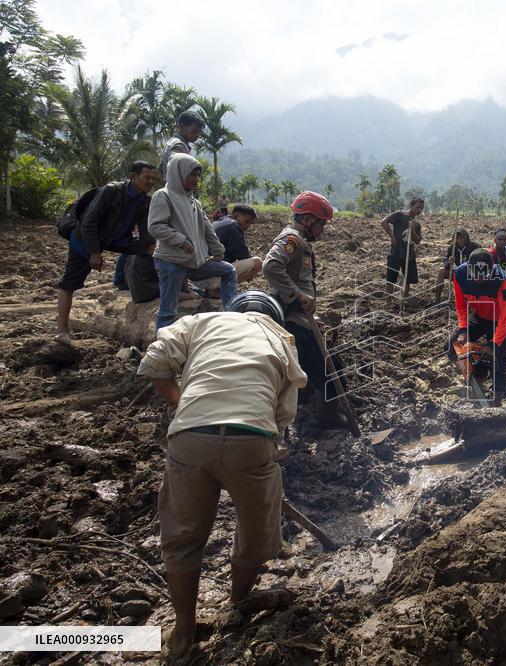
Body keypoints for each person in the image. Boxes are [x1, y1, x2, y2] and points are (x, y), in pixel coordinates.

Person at [136, 291, 307, 657]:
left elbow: (154, 362)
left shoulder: (200, 323)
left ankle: (183, 630)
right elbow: (284, 413)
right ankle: (237, 607)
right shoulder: (280, 338)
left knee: (182, 536)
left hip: (189, 437)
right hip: (252, 438)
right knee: (256, 531)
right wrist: (268, 446)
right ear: (272, 316)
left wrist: (178, 402)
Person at [55, 161, 158, 345]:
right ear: (133, 176)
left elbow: (144, 228)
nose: (150, 181)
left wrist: (150, 246)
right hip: (85, 238)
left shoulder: (144, 200)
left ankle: (146, 288)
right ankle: (62, 329)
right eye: (146, 177)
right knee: (70, 281)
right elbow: (89, 221)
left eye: (152, 178)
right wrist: (94, 252)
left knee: (151, 251)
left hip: (115, 239)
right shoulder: (112, 191)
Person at [262, 191, 336, 405]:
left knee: (324, 366)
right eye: (321, 224)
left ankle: (326, 405)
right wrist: (298, 296)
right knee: (325, 368)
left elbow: (297, 278)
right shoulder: (291, 239)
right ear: (307, 220)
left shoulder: (299, 240)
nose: (322, 231)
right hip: (292, 318)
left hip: (302, 316)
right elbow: (271, 266)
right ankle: (328, 413)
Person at [148, 154, 238, 330]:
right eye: (193, 175)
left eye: (198, 175)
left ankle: (231, 315)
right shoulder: (163, 196)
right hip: (171, 260)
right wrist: (181, 241)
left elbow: (206, 228)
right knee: (168, 311)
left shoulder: (193, 202)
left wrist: (218, 249)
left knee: (228, 271)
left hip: (193, 260)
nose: (197, 179)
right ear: (179, 173)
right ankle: (161, 350)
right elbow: (155, 226)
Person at [446, 249, 506, 407]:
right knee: (452, 344)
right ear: (469, 269)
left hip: (499, 320)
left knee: (500, 359)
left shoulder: (502, 280)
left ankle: (497, 402)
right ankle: (474, 376)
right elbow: (461, 305)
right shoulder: (460, 274)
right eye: (476, 275)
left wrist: (493, 344)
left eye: (484, 275)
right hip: (478, 315)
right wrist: (463, 328)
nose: (479, 279)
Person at [193, 204, 263, 296]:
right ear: (236, 216)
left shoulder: (221, 221)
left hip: (197, 276)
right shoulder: (233, 226)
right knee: (258, 263)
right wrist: (251, 274)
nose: (247, 226)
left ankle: (215, 291)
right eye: (246, 221)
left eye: (250, 223)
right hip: (209, 277)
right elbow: (243, 255)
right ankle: (221, 289)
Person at [381, 198, 424, 297]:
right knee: (390, 281)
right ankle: (387, 302)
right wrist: (392, 237)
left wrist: (412, 230)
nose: (419, 210)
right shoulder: (400, 215)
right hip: (396, 252)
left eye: (421, 208)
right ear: (411, 206)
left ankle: (405, 300)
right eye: (417, 207)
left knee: (408, 281)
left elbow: (418, 241)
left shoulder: (416, 224)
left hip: (409, 255)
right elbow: (384, 222)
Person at [434, 227, 477, 303]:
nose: (460, 240)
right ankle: (437, 299)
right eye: (457, 238)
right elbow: (446, 265)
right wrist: (449, 262)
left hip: (471, 275)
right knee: (442, 271)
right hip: (459, 273)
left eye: (462, 238)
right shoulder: (452, 248)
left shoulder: (474, 246)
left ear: (466, 237)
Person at [158, 111, 205, 179]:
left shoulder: (172, 142)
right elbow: (178, 174)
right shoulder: (179, 146)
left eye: (199, 132)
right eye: (194, 131)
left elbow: (160, 170)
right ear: (182, 127)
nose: (197, 135)